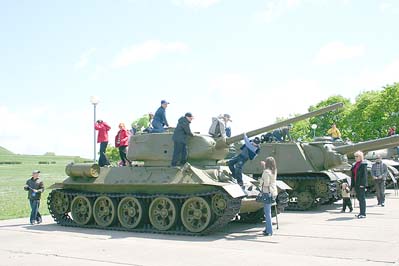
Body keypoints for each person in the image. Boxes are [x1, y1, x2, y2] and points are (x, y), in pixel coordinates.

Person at [259, 157, 277, 236]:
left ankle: (269, 231)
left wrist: (260, 180)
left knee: (267, 213)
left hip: (267, 192)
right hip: (273, 192)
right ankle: (267, 228)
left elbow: (266, 183)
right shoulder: (274, 170)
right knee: (268, 211)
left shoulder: (266, 172)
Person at [351, 150, 368, 218]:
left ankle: (363, 213)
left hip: (361, 184)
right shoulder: (355, 164)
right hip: (356, 183)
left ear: (361, 157)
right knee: (359, 198)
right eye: (355, 156)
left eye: (357, 156)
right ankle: (361, 212)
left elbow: (364, 175)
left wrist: (362, 184)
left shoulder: (363, 164)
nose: (355, 157)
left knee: (362, 199)